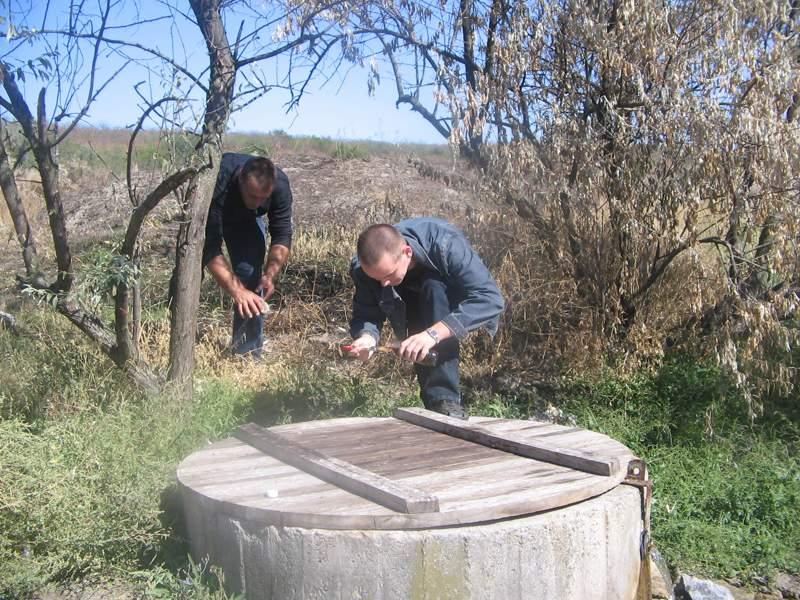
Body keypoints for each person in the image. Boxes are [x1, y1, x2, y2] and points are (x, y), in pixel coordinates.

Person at [345, 218, 505, 419]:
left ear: (407, 253)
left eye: (388, 275)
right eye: (377, 279)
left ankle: (445, 401)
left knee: (433, 287)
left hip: (447, 297)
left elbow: (490, 299)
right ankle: (434, 404)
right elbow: (366, 312)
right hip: (411, 298)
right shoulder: (365, 268)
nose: (383, 284)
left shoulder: (447, 244)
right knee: (419, 300)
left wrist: (432, 334)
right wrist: (367, 337)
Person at [202, 153, 293, 358]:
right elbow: (209, 248)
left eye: (264, 198)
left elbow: (282, 234)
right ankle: (177, 330)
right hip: (211, 212)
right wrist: (236, 291)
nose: (259, 202)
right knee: (188, 278)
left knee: (251, 277)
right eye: (253, 196)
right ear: (241, 178)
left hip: (245, 222)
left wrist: (269, 275)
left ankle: (246, 353)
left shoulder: (280, 185)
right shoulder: (218, 181)